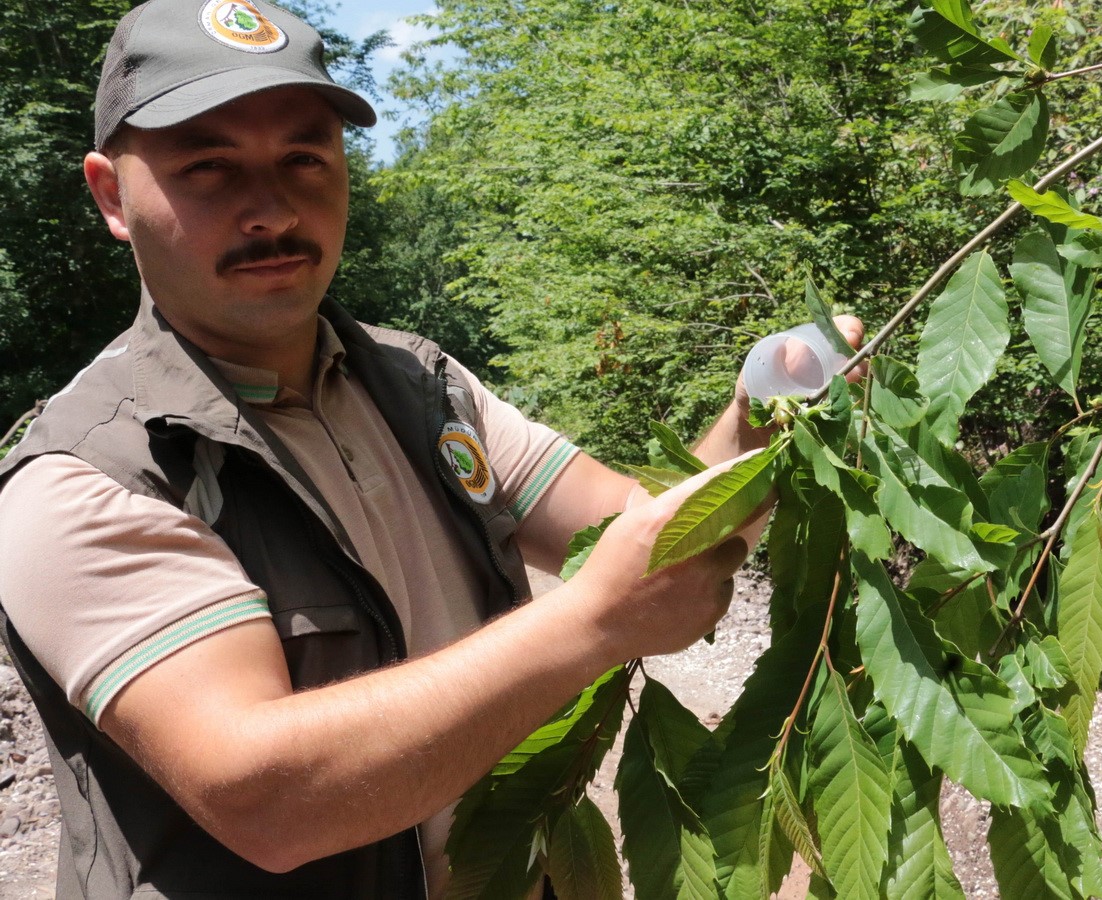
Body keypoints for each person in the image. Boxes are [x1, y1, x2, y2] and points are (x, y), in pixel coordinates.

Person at [0, 1, 863, 897]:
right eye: (209, 167)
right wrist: (594, 621)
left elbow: (640, 538)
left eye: (304, 156)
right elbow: (270, 801)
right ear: (110, 194)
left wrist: (759, 418)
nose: (269, 209)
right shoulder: (90, 477)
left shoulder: (422, 385)